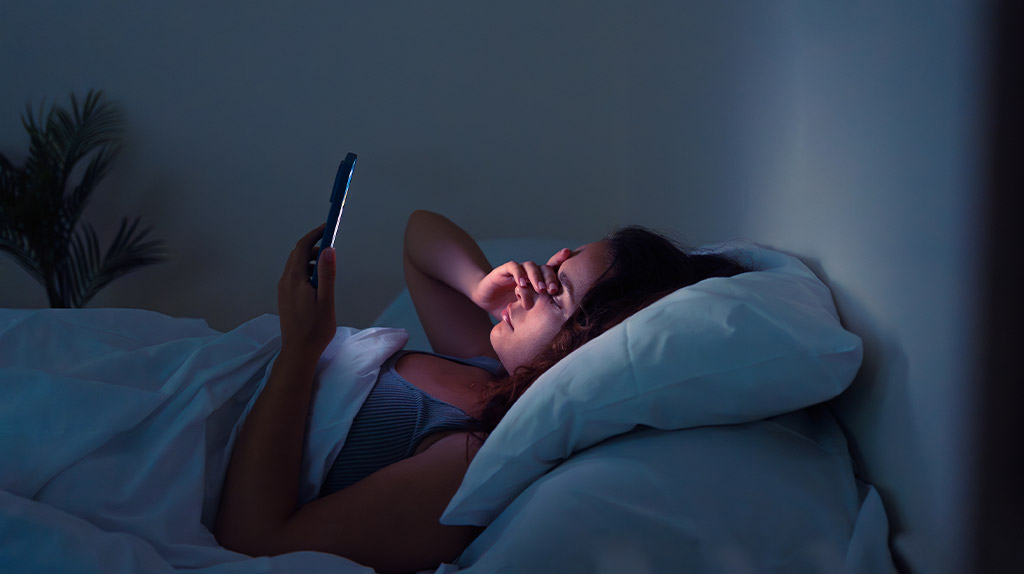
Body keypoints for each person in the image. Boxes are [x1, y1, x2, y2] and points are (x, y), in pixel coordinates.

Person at [214, 210, 747, 573]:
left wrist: (301, 351)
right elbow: (420, 233)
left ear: (580, 351)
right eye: (554, 263)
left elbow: (258, 542)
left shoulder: (465, 457)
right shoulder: (486, 369)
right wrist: (476, 283)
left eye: (554, 291)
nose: (532, 281)